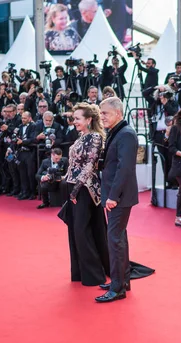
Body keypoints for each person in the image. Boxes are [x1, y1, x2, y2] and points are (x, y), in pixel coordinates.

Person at [96, 97, 139, 303]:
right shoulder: (118, 131)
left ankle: (117, 288)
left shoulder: (126, 134)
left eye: (105, 113)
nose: (101, 116)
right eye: (101, 112)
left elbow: (125, 168)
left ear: (118, 114)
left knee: (114, 240)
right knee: (119, 238)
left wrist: (113, 196)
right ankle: (122, 280)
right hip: (115, 195)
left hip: (118, 197)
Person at [64, 103, 109, 286]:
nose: (74, 121)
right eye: (74, 118)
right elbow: (73, 165)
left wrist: (76, 188)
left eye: (77, 118)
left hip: (86, 189)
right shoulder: (81, 137)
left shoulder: (95, 137)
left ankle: (95, 275)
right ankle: (80, 273)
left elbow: (90, 165)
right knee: (75, 231)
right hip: (73, 186)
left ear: (89, 119)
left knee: (82, 231)